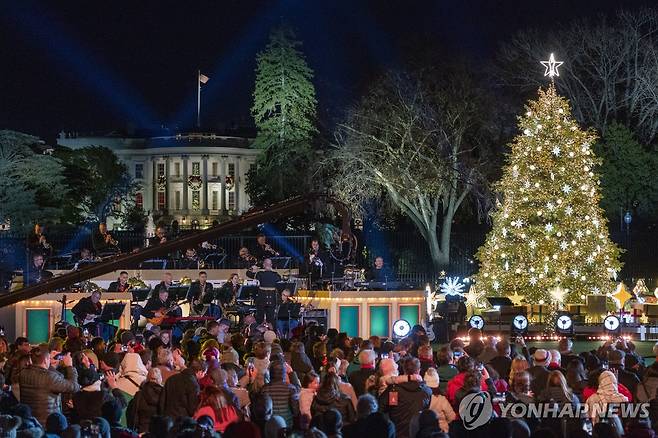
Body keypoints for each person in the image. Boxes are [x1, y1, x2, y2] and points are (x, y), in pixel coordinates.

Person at [19, 346, 81, 425]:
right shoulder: (50, 378)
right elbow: (74, 387)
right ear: (45, 360)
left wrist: (51, 363)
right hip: (48, 422)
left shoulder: (23, 373)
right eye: (48, 358)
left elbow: (43, 373)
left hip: (30, 422)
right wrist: (69, 366)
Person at [379, 357, 432, 438]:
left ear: (404, 369)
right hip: (417, 433)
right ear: (418, 370)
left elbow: (381, 407)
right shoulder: (426, 391)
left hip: (397, 433)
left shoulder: (394, 390)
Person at [260, 359, 300, 427]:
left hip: (270, 425)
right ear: (284, 373)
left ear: (271, 373)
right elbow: (296, 411)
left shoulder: (264, 389)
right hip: (287, 424)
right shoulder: (291, 388)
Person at [246, 258, 281, 325]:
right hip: (270, 301)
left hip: (262, 300)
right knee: (269, 320)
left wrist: (252, 269)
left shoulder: (260, 274)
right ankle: (271, 333)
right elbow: (280, 279)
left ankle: (260, 333)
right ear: (271, 265)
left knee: (260, 319)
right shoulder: (276, 275)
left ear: (264, 265)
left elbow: (248, 273)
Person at [128, 368, 163, 433]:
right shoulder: (164, 396)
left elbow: (133, 415)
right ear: (160, 380)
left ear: (147, 379)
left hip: (142, 431)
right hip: (158, 433)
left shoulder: (139, 395)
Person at [423, 368, 456, 433]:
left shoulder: (421, 398)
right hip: (441, 431)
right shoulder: (441, 399)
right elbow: (452, 417)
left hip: (425, 432)